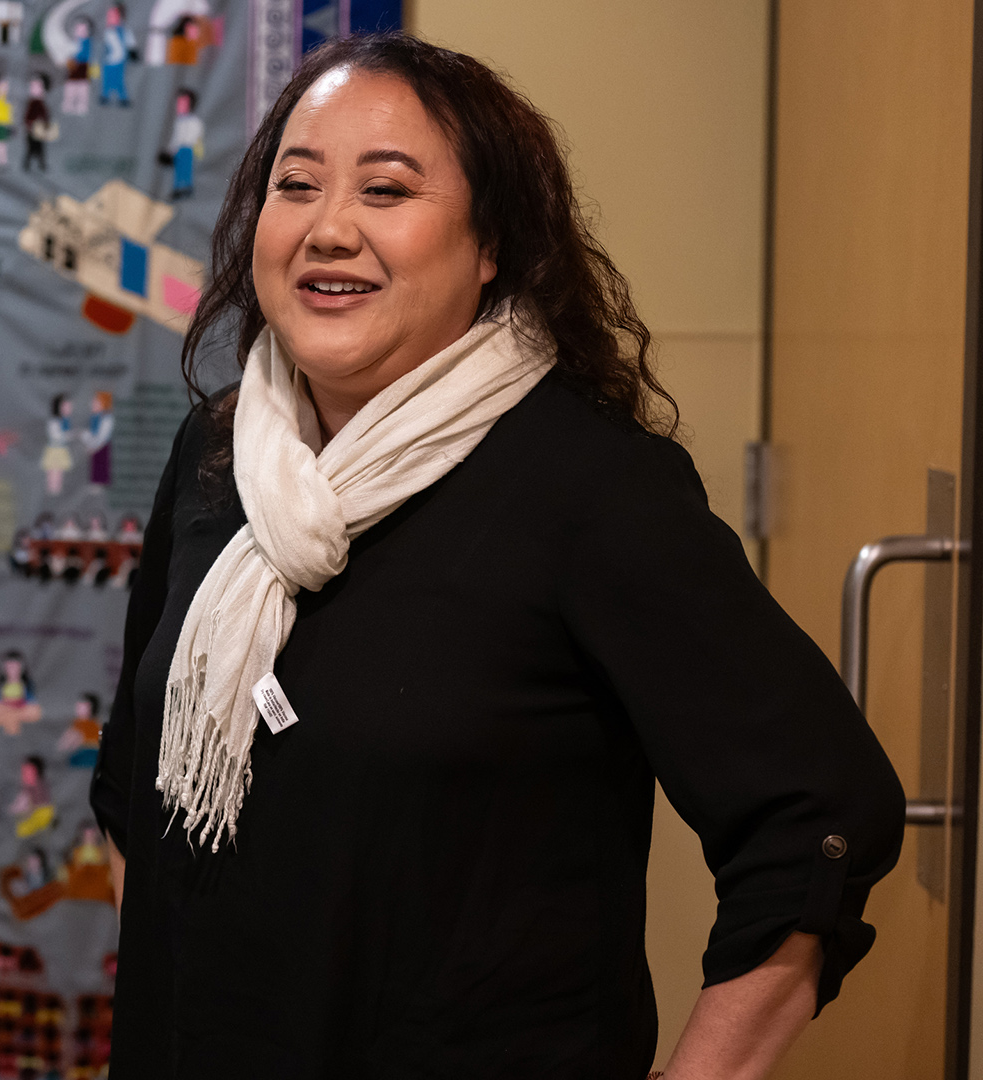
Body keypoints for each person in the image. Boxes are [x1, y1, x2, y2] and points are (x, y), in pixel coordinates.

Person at [89, 33, 904, 1080]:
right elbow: (137, 781)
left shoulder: (591, 489)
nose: (329, 228)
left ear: (491, 247)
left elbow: (820, 817)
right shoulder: (217, 454)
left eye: (387, 190)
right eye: (296, 185)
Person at [164, 87, 203, 199]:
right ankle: (178, 189)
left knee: (186, 170)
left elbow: (195, 135)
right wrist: (171, 150)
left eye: (183, 103)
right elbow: (176, 138)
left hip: (187, 149)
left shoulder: (194, 121)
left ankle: (186, 188)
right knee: (179, 171)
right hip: (179, 150)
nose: (180, 106)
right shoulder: (179, 121)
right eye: (179, 103)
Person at [98, 4, 134, 107]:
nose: (110, 19)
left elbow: (129, 42)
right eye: (109, 16)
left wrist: (132, 54)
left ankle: (123, 98)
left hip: (120, 60)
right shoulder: (108, 32)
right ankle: (105, 96)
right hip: (108, 60)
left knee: (119, 80)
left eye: (113, 16)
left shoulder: (124, 31)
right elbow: (104, 47)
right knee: (107, 79)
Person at [41, 394, 75, 495]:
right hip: (54, 449)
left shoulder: (65, 421)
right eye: (66, 407)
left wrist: (69, 435)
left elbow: (65, 434)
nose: (68, 410)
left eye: (70, 407)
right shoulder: (54, 421)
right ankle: (51, 488)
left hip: (61, 449)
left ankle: (56, 489)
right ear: (58, 407)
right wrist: (67, 436)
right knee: (53, 471)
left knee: (59, 471)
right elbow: (56, 436)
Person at [81, 390, 114, 489]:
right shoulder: (95, 417)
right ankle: (95, 484)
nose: (93, 403)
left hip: (101, 446)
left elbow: (102, 437)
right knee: (94, 466)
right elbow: (92, 434)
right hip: (94, 445)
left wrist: (95, 447)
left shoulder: (107, 419)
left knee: (99, 466)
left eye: (96, 402)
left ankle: (98, 485)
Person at [23, 73, 54, 172]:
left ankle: (38, 164)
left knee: (37, 147)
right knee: (34, 148)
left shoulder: (37, 102)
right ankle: (32, 164)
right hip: (33, 127)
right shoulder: (34, 102)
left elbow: (44, 114)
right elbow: (30, 114)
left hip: (37, 126)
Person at [63, 16, 94, 114]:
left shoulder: (87, 43)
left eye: (83, 30)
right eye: (78, 29)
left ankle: (82, 105)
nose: (80, 32)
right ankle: (69, 104)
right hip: (74, 68)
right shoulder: (74, 43)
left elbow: (85, 55)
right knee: (71, 86)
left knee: (82, 87)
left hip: (82, 67)